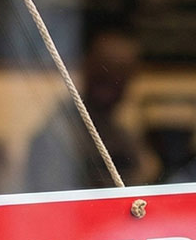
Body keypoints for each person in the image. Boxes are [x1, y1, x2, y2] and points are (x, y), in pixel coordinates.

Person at [23, 28, 148, 192]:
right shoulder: (59, 134)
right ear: (86, 69)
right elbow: (56, 201)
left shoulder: (117, 132)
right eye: (104, 73)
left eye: (121, 74)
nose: (112, 83)